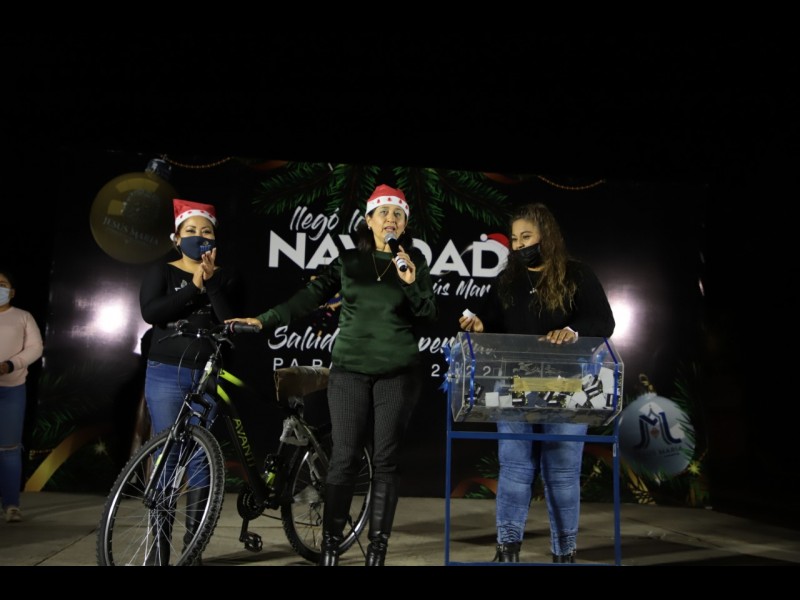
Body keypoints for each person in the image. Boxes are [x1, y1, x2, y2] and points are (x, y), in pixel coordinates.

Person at [227, 184, 438, 566]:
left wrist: (410, 282)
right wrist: (263, 320)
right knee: (343, 458)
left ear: (405, 224)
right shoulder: (349, 262)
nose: (390, 219)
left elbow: (427, 314)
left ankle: (377, 552)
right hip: (350, 370)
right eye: (383, 212)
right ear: (369, 220)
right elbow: (308, 299)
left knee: (386, 461)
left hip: (398, 373)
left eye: (398, 214)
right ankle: (329, 547)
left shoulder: (414, 263)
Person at [458, 202, 615, 564]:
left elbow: (603, 321)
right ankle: (507, 550)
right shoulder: (508, 281)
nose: (519, 246)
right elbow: (491, 322)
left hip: (567, 387)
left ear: (547, 235)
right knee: (514, 468)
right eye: (514, 239)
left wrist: (572, 330)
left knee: (562, 473)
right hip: (515, 385)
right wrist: (480, 325)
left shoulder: (578, 274)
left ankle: (564, 553)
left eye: (526, 237)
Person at [139, 199, 238, 564]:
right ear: (177, 238)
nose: (199, 237)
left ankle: (191, 550)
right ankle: (159, 548)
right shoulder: (161, 272)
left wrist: (210, 284)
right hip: (166, 372)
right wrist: (191, 286)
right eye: (191, 231)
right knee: (166, 455)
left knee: (200, 458)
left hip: (208, 375)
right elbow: (152, 312)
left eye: (206, 231)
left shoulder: (226, 277)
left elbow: (230, 323)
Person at [0, 267, 44, 523]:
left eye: (2, 284)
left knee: (9, 448)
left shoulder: (23, 317)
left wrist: (10, 365)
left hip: (12, 389)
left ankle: (11, 504)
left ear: (12, 292)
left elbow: (36, 348)